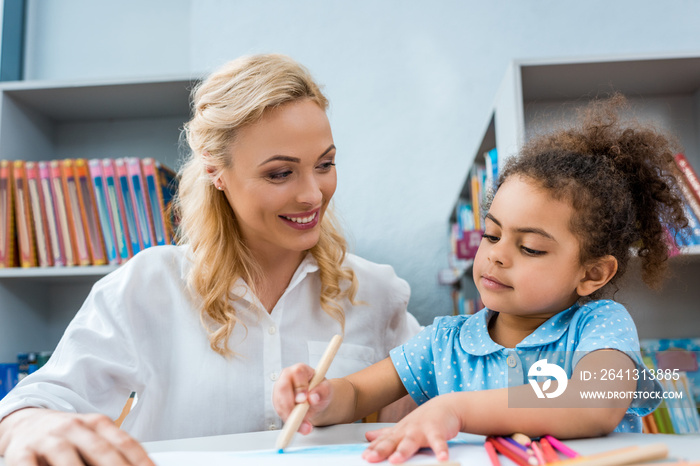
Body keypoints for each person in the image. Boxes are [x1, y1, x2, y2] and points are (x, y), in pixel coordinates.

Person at [0, 54, 420, 465]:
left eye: (325, 164)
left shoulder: (376, 292)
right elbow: (31, 405)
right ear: (216, 171)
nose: (312, 194)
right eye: (280, 173)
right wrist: (32, 427)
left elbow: (440, 380)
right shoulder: (150, 283)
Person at [273, 95, 690, 464]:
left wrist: (456, 409)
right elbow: (358, 394)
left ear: (593, 273)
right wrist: (320, 397)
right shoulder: (445, 343)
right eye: (491, 234)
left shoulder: (600, 325)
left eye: (529, 248)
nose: (496, 255)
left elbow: (594, 403)